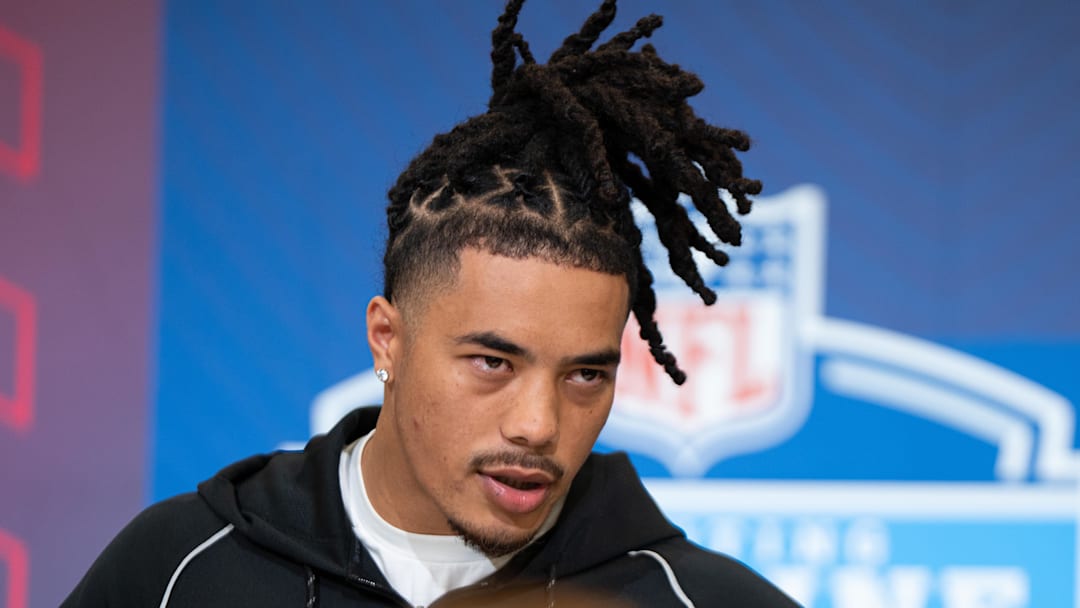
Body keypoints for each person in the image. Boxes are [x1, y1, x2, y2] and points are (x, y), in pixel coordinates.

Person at [63, 1, 800, 606]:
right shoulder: (177, 572)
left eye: (585, 375)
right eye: (492, 361)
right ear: (387, 338)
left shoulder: (699, 602)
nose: (538, 426)